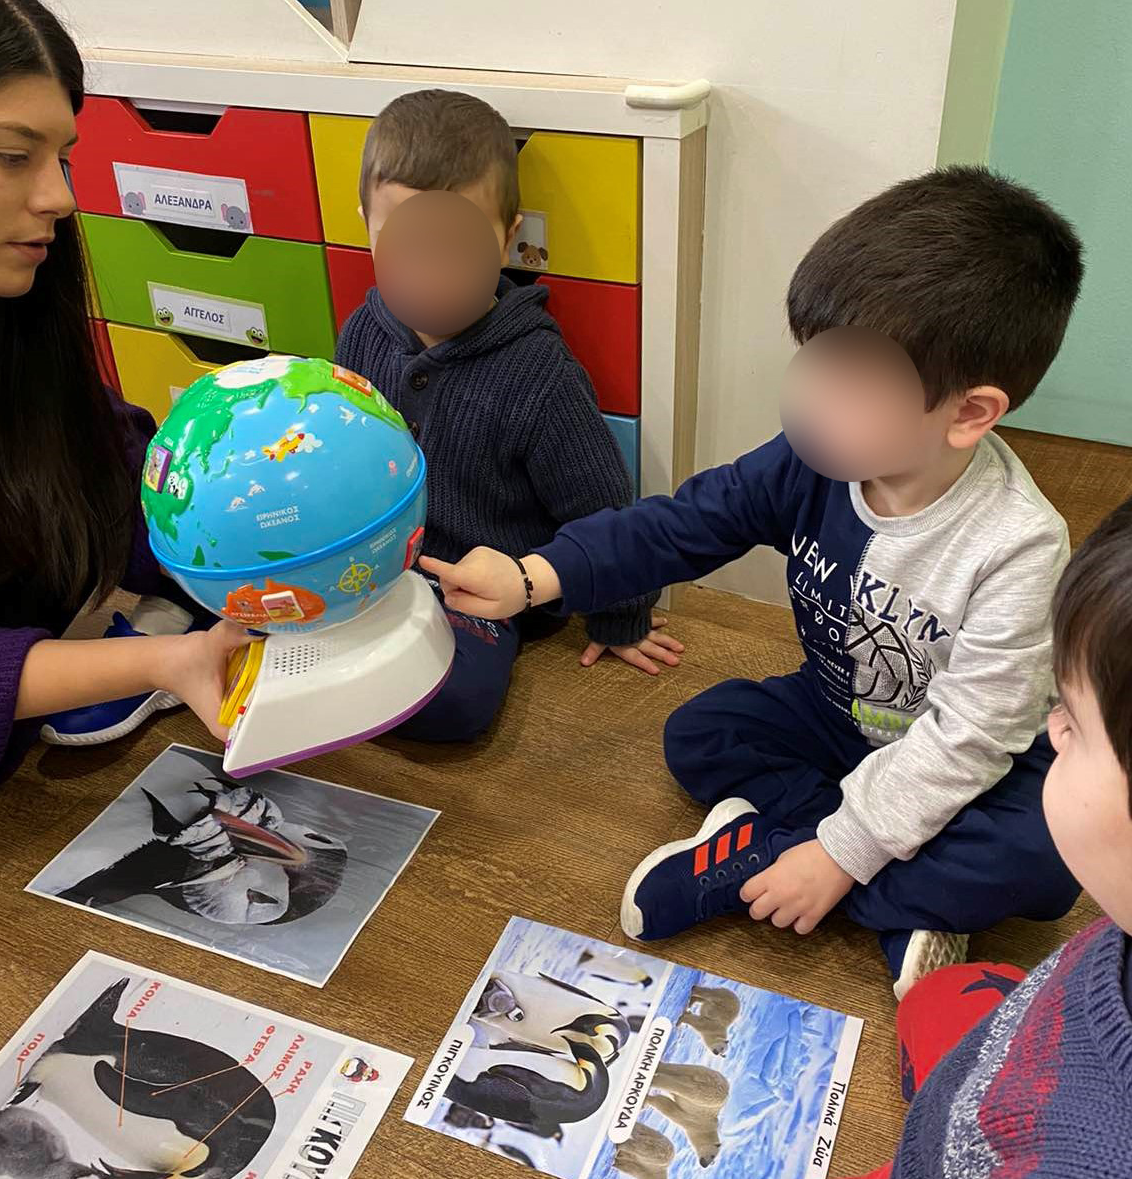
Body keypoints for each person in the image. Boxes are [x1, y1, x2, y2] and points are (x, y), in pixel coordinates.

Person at [425, 167, 1085, 994]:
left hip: (973, 760)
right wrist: (534, 575)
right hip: (839, 716)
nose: (807, 398)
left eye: (852, 382)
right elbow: (682, 524)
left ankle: (768, 855)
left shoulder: (1018, 547)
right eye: (812, 355)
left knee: (1046, 861)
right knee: (702, 732)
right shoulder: (810, 464)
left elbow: (969, 741)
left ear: (966, 413)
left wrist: (834, 855)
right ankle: (904, 901)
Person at [644, 486, 1132, 1179]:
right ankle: (851, 879)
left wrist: (837, 856)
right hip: (1001, 1100)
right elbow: (698, 515)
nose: (1050, 726)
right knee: (951, 988)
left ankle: (774, 858)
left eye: (1074, 724)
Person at [0, 0, 244, 808]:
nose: (59, 197)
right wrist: (161, 660)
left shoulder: (2, 310)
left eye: (63, 157)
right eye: (13, 155)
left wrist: (232, 511)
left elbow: (99, 461)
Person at [334, 89, 681, 744]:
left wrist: (621, 614)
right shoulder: (361, 332)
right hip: (375, 563)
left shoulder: (538, 372)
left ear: (507, 238)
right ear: (368, 228)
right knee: (255, 619)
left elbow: (601, 502)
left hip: (482, 588)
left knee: (455, 704)